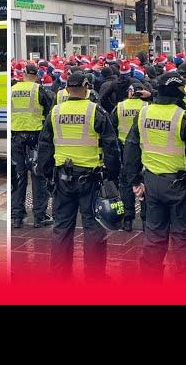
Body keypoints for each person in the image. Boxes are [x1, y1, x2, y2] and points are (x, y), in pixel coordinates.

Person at [37, 71, 120, 281]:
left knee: (62, 228)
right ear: (86, 87)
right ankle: (94, 277)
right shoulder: (96, 111)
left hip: (62, 178)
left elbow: (45, 145)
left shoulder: (55, 112)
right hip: (90, 179)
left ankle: (59, 276)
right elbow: (111, 146)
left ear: (66, 89)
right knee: (93, 229)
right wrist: (112, 175)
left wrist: (48, 175)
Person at [124, 71, 186, 282]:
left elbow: (131, 150)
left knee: (154, 236)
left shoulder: (144, 114)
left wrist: (134, 180)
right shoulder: (183, 118)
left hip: (151, 183)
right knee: (183, 237)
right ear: (178, 91)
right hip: (179, 186)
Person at [11, 63, 54, 229]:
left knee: (18, 177)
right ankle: (39, 216)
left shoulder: (12, 89)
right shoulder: (38, 90)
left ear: (22, 74)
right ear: (36, 75)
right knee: (38, 176)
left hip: (16, 138)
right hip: (35, 138)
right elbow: (50, 111)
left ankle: (16, 217)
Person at [110, 84, 150, 231]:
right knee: (145, 185)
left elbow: (111, 127)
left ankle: (128, 219)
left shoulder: (120, 107)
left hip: (125, 150)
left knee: (126, 184)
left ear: (130, 92)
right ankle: (146, 220)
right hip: (144, 150)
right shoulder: (147, 106)